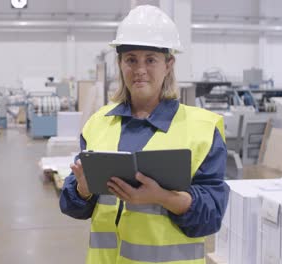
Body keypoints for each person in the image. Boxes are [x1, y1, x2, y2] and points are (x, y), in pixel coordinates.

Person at [60, 5, 229, 264]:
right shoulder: (98, 124)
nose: (140, 69)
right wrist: (82, 189)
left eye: (150, 59)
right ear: (120, 63)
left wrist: (162, 198)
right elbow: (73, 205)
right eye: (131, 59)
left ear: (168, 64)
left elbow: (211, 217)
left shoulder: (202, 130)